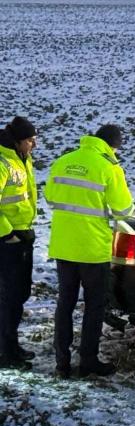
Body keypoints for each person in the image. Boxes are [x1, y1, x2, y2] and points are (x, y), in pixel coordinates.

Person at [45, 125, 135, 378]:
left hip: (63, 246)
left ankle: (61, 362)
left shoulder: (63, 161)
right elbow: (124, 209)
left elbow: (51, 198)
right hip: (93, 249)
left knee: (65, 303)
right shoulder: (109, 167)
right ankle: (88, 361)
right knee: (94, 306)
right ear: (113, 145)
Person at [0, 117, 38, 370]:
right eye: (29, 140)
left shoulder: (20, 159)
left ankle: (11, 345)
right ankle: (5, 353)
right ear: (17, 141)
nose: (33, 144)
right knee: (7, 297)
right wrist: (6, 234)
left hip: (22, 235)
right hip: (8, 240)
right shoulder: (3, 162)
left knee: (19, 295)